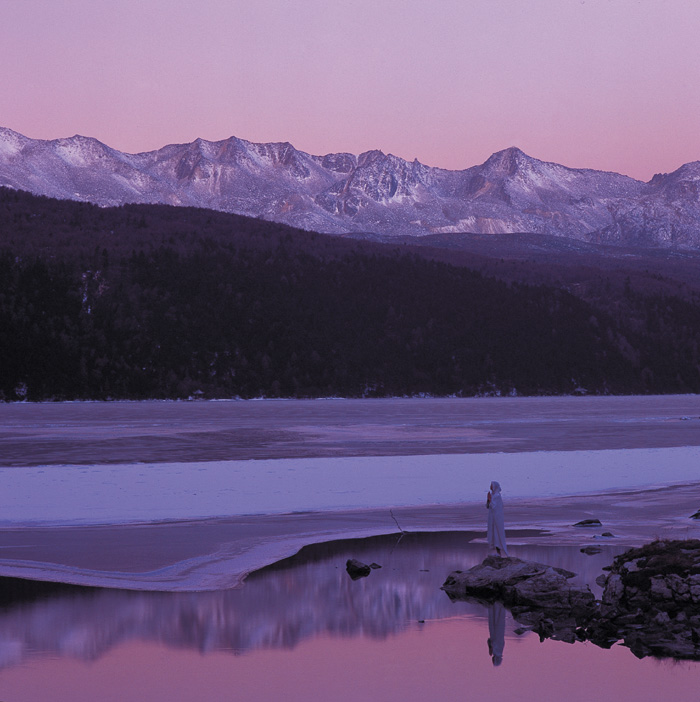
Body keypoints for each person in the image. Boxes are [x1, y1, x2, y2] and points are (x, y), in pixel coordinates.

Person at [486, 480, 508, 556]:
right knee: (493, 534)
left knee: (497, 534)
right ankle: (497, 552)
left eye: (491, 485)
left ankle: (499, 552)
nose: (490, 487)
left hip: (496, 520)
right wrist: (488, 500)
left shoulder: (497, 496)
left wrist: (490, 499)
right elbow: (488, 506)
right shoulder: (492, 495)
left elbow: (495, 507)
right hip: (492, 518)